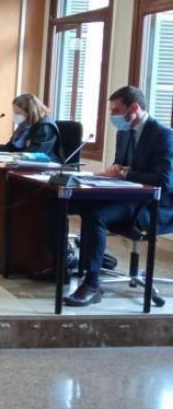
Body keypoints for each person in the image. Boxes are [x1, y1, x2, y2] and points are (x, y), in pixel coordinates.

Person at [64, 86, 173, 306]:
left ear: (134, 107)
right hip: (127, 196)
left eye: (116, 111)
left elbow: (164, 180)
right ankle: (60, 261)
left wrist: (124, 174)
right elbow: (120, 167)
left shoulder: (163, 135)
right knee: (65, 202)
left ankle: (92, 284)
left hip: (153, 205)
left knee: (96, 215)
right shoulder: (124, 133)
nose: (113, 116)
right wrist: (108, 174)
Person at [0, 93, 64, 163]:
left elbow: (36, 153)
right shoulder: (24, 126)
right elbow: (11, 147)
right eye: (14, 112)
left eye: (18, 113)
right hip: (25, 163)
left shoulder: (45, 127)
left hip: (47, 165)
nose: (15, 115)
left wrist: (16, 154)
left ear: (30, 112)